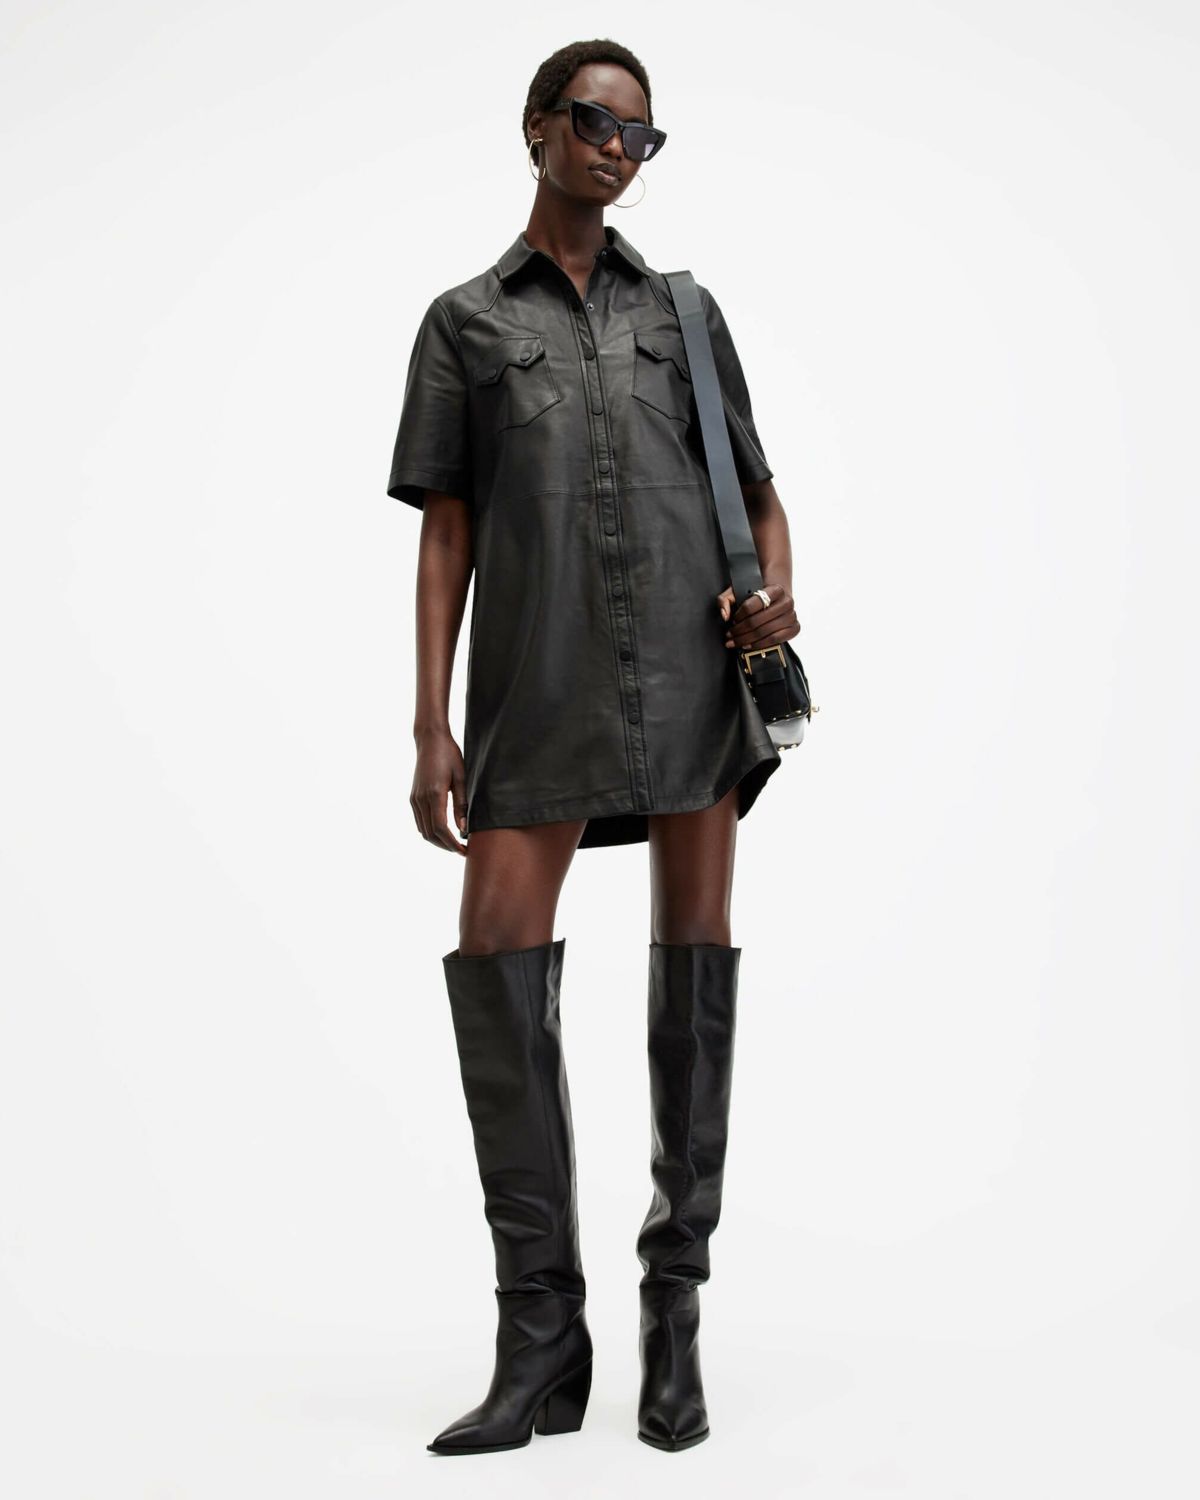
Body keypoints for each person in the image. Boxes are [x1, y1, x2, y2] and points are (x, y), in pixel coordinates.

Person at [385, 38, 801, 1456]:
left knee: (697, 958)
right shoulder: (464, 323)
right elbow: (447, 533)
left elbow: (759, 493)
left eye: (642, 135)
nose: (618, 150)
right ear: (537, 128)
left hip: (691, 683)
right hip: (538, 685)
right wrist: (431, 719)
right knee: (495, 957)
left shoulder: (684, 311)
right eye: (595, 122)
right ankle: (540, 1345)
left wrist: (776, 596)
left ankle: (673, 1317)